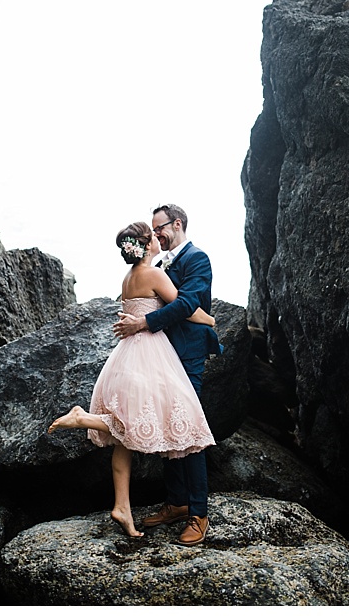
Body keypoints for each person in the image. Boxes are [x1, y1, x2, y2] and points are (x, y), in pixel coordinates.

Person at [48, 220, 216, 539]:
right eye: (152, 235)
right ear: (145, 244)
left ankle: (122, 507)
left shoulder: (128, 277)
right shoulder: (153, 274)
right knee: (171, 419)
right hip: (151, 354)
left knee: (124, 436)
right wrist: (209, 318)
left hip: (126, 357)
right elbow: (187, 307)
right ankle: (83, 418)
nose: (157, 238)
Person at [112, 204, 220, 546]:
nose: (157, 233)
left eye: (160, 227)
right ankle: (176, 502)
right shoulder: (158, 266)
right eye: (153, 230)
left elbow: (187, 304)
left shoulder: (197, 259)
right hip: (162, 356)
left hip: (187, 354)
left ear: (177, 224)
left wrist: (142, 323)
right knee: (169, 427)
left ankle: (199, 514)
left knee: (189, 431)